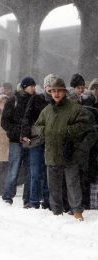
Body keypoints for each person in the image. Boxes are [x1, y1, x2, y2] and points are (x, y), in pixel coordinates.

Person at [35, 78, 91, 221]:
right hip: (51, 153)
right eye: (53, 91)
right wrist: (45, 132)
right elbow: (38, 125)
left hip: (69, 152)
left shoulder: (74, 108)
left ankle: (77, 211)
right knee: (53, 186)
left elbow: (85, 124)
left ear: (64, 92)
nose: (56, 94)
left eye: (59, 90)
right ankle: (56, 212)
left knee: (72, 183)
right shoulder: (47, 110)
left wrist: (67, 131)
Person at [20, 74, 57, 209]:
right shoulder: (36, 99)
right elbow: (27, 117)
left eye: (53, 86)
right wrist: (25, 134)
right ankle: (33, 201)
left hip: (51, 142)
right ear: (45, 86)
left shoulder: (58, 101)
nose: (50, 88)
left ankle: (47, 201)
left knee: (48, 173)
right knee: (35, 172)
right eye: (48, 86)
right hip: (36, 140)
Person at [1, 77, 36, 206]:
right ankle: (8, 196)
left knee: (29, 171)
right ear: (24, 87)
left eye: (34, 86)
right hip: (16, 140)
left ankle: (27, 199)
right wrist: (17, 132)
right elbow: (4, 121)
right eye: (30, 86)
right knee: (14, 169)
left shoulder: (35, 101)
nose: (33, 88)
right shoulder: (13, 100)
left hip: (30, 140)